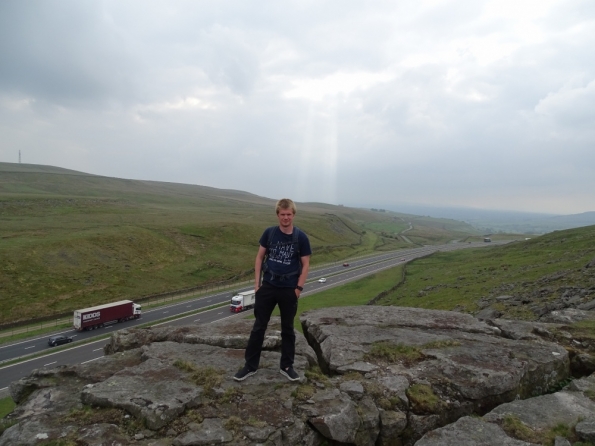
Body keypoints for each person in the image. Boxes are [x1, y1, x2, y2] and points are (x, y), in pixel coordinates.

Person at [234, 198, 311, 382]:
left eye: (289, 214)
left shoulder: (301, 237)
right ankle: (250, 366)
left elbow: (306, 264)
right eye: (282, 214)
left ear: (293, 215)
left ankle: (286, 366)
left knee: (288, 329)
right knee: (258, 327)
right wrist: (257, 285)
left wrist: (298, 288)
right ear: (278, 214)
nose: (286, 218)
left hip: (289, 289)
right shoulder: (269, 233)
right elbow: (259, 258)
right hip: (268, 287)